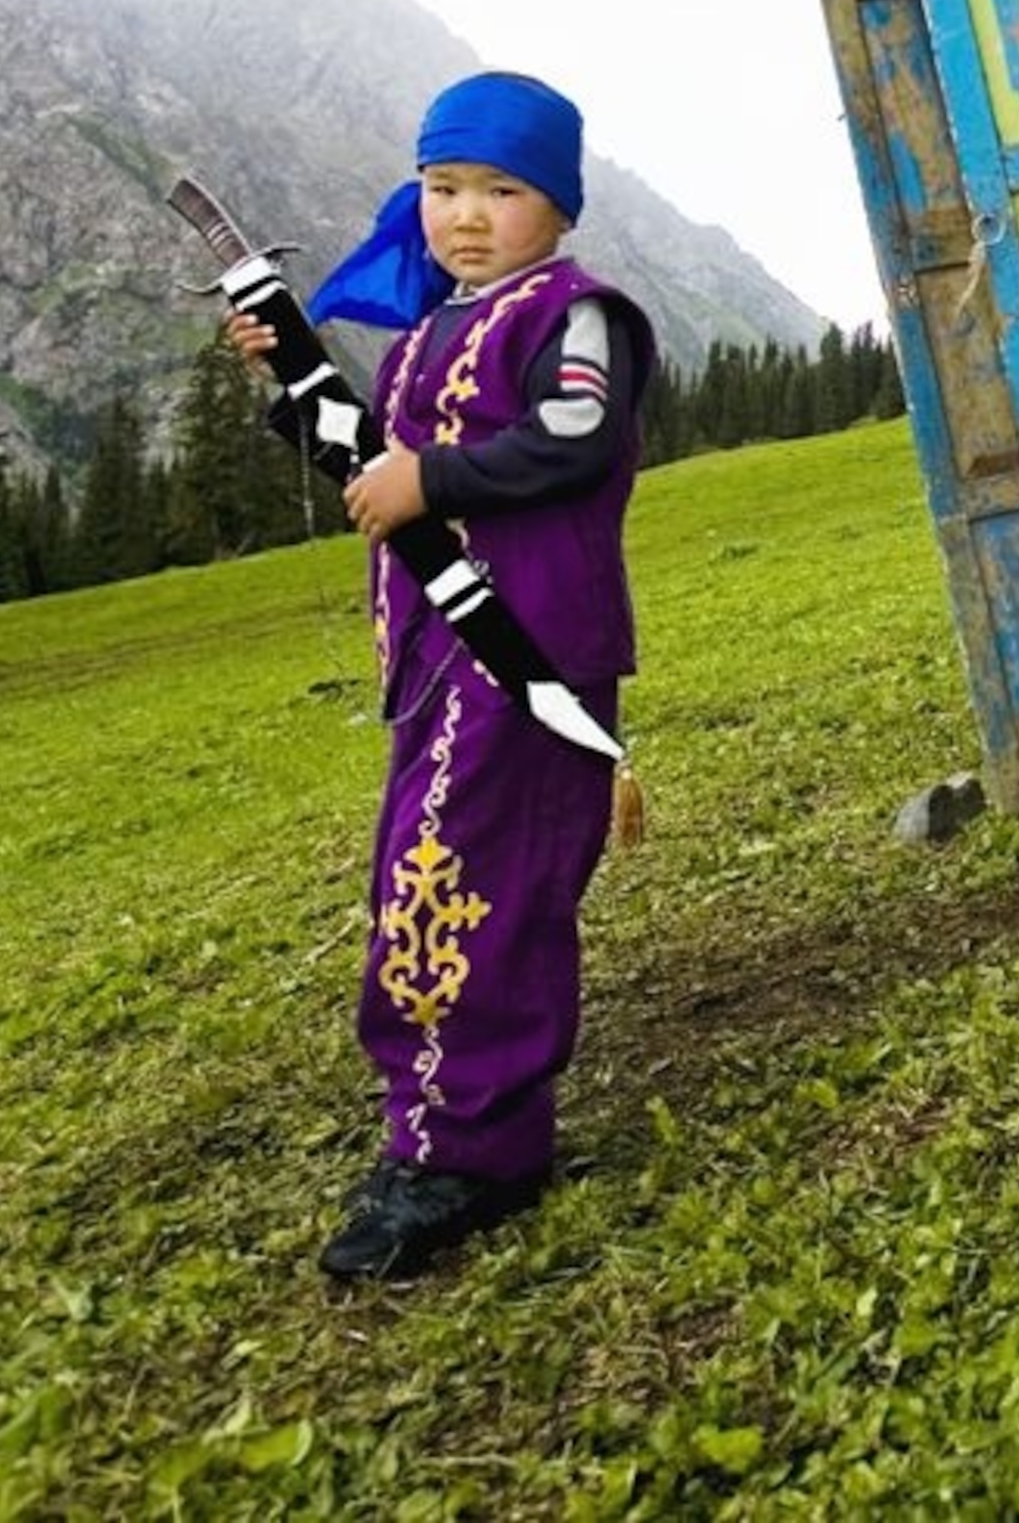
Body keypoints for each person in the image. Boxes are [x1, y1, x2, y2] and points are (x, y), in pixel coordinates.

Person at [228, 70, 656, 1281]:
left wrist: (437, 479)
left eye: (502, 189)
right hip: (434, 661)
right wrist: (290, 372)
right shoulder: (428, 332)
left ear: (560, 205)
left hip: (527, 653)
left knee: (484, 883)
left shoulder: (580, 314)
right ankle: (447, 1127)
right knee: (425, 876)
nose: (467, 214)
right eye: (443, 186)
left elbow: (575, 437)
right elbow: (373, 474)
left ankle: (472, 1149)